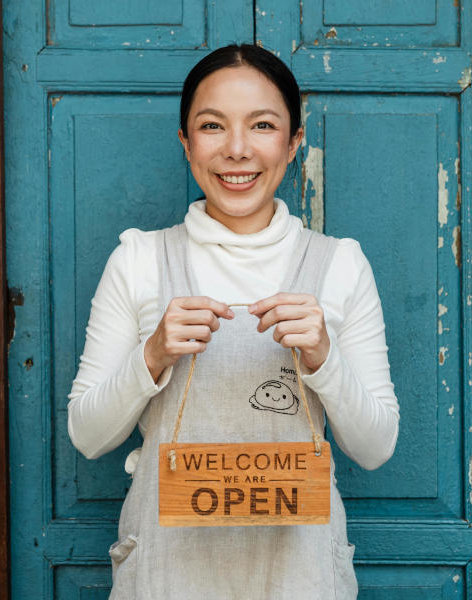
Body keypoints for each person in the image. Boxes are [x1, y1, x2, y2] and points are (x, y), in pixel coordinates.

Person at [67, 43, 400, 600]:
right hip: (167, 576)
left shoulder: (340, 264)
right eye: (213, 126)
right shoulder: (139, 260)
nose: (238, 150)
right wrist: (151, 357)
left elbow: (376, 447)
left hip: (300, 576)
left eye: (263, 125)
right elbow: (88, 436)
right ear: (186, 142)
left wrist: (324, 359)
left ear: (294, 143)